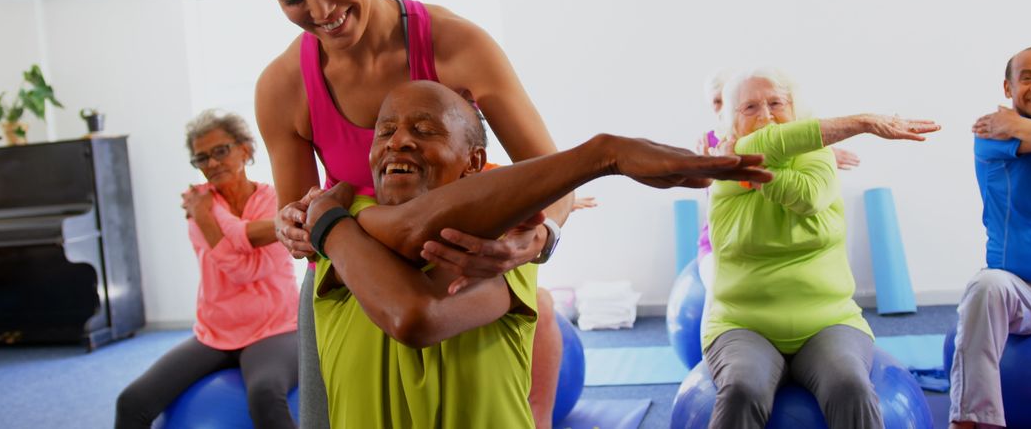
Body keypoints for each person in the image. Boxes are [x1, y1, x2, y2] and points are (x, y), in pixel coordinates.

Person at [248, 0, 572, 428]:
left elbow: (552, 176)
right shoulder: (282, 87)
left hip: (457, 266)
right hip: (356, 280)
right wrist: (292, 226)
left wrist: (538, 239)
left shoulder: (457, 46)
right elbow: (304, 213)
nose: (323, 10)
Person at [301, 80, 772, 427]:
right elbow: (404, 233)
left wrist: (327, 223)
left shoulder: (503, 246)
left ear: (474, 164)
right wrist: (602, 155)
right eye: (384, 131)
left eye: (425, 130)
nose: (398, 141)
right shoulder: (347, 218)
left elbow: (417, 317)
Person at [703, 68, 940, 429]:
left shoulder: (818, 155)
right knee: (742, 389)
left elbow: (808, 196)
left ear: (796, 108)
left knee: (850, 386)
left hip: (828, 321)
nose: (766, 116)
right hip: (743, 323)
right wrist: (864, 122)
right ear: (730, 122)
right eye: (750, 107)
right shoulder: (725, 165)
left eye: (776, 103)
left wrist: (760, 177)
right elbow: (768, 146)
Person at [115, 111, 298, 429]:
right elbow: (237, 257)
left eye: (220, 151)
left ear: (245, 150)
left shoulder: (274, 203)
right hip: (215, 332)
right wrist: (203, 214)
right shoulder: (198, 202)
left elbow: (246, 271)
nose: (212, 163)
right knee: (131, 402)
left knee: (266, 395)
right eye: (202, 157)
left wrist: (207, 216)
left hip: (276, 327)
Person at [951, 46, 1031, 429]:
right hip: (1021, 291)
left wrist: (1016, 124)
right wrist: (1017, 128)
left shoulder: (1009, 126)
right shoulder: (989, 135)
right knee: (985, 286)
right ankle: (973, 420)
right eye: (1027, 77)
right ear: (1008, 87)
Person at [694, 69, 860, 328]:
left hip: (778, 241)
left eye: (774, 103)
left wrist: (817, 148)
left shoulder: (784, 136)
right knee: (717, 288)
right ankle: (713, 341)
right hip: (724, 242)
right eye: (716, 101)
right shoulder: (713, 141)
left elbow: (780, 146)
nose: (720, 106)